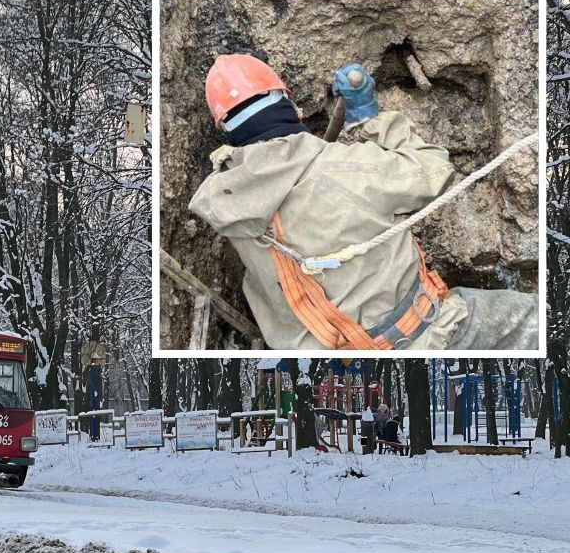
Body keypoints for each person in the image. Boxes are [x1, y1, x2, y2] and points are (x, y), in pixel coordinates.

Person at [188, 54, 538, 350]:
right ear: (289, 103)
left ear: (227, 129)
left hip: (322, 357)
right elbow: (435, 171)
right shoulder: (346, 167)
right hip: (420, 337)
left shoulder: (223, 203)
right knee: (534, 317)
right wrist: (371, 119)